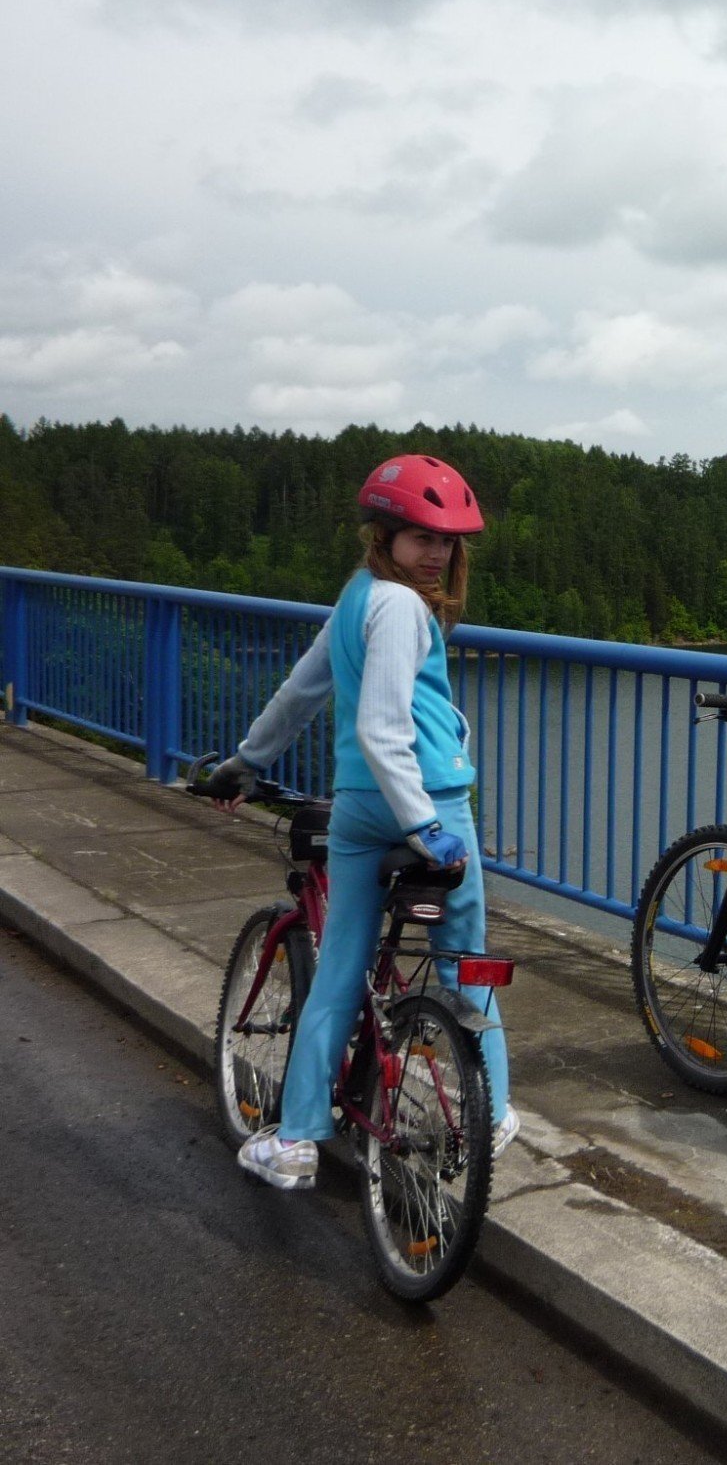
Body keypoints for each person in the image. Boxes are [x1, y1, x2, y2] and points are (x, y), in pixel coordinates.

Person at [205, 453, 517, 1189]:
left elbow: (301, 691)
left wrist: (245, 762)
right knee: (465, 962)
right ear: (385, 534)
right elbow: (383, 730)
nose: (436, 553)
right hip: (429, 802)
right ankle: (493, 1116)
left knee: (341, 967)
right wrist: (428, 830)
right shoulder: (405, 609)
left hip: (359, 809)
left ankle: (298, 1141)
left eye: (445, 542)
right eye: (420, 538)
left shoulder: (356, 598)